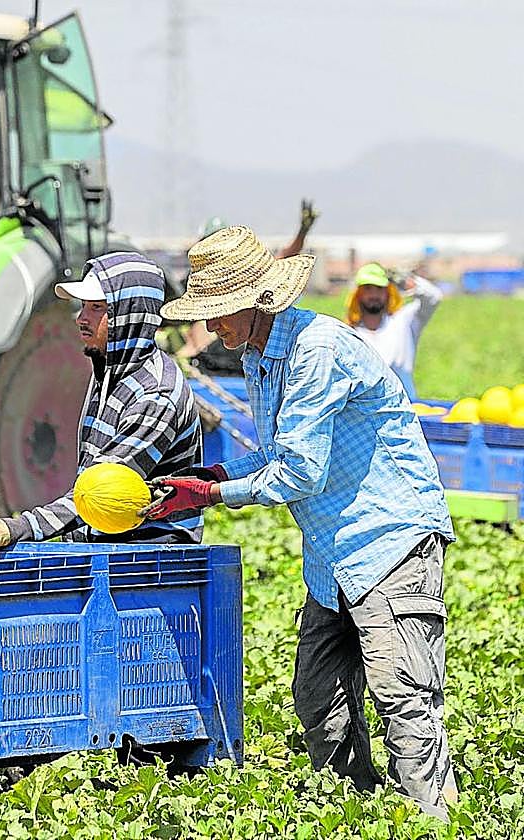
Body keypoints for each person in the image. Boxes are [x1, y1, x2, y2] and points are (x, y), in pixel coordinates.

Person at [148, 226, 458, 821]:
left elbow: (300, 473)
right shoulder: (260, 357)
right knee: (319, 697)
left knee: (403, 696)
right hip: (332, 552)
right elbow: (274, 454)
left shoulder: (317, 351)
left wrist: (211, 494)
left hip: (386, 539)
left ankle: (433, 819)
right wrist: (210, 472)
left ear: (252, 301)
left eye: (217, 313)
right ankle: (354, 811)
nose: (210, 328)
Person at [0, 252, 203, 559]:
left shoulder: (155, 395)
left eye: (97, 308)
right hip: (108, 548)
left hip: (149, 558)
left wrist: (20, 527)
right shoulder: (109, 372)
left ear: (129, 314)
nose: (81, 318)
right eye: (83, 307)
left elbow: (101, 493)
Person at [177, 199, 319, 374]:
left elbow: (283, 257)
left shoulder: (310, 351)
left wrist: (302, 233)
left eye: (220, 309)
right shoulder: (252, 356)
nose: (211, 324)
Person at [345, 262, 443, 400]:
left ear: (388, 292)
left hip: (406, 409)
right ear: (357, 294)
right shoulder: (349, 334)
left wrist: (404, 279)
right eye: (367, 289)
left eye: (379, 289)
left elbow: (434, 297)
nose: (374, 295)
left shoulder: (403, 321)